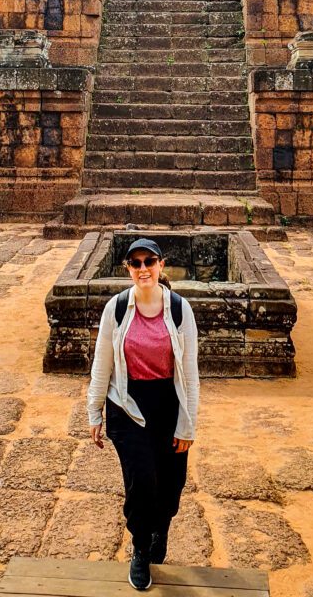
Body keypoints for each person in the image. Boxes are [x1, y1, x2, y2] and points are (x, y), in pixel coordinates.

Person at [88, 237, 199, 591]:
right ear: (127, 269)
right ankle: (139, 548)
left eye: (149, 262)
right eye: (135, 263)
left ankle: (159, 530)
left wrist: (187, 423)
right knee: (141, 481)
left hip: (168, 402)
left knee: (171, 484)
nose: (143, 269)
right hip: (126, 405)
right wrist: (94, 412)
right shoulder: (117, 309)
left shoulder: (180, 310)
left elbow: (191, 373)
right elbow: (102, 363)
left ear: (161, 265)